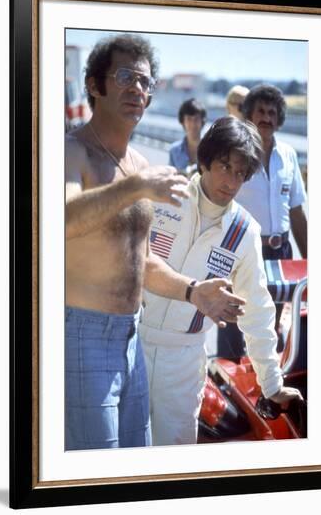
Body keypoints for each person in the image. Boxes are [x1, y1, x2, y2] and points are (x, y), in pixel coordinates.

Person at [65, 34, 242, 451]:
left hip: (132, 338)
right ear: (94, 85)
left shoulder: (141, 165)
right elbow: (59, 220)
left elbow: (141, 263)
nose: (137, 89)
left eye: (146, 82)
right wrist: (136, 188)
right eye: (125, 76)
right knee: (98, 473)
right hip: (82, 334)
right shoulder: (72, 150)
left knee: (136, 463)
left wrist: (193, 291)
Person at [139, 117, 303, 447]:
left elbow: (257, 311)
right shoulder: (163, 196)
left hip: (184, 360)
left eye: (241, 173)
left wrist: (271, 383)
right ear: (205, 160)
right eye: (224, 166)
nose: (230, 181)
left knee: (172, 461)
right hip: (131, 345)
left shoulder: (244, 232)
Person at [219, 84, 307, 359]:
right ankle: (228, 383)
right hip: (243, 252)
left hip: (281, 254)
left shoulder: (289, 155)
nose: (266, 117)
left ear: (279, 118)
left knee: (270, 326)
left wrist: (310, 261)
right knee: (234, 322)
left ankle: (267, 390)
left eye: (272, 112)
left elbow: (296, 212)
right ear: (247, 115)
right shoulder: (234, 154)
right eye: (260, 111)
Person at [168, 98, 207, 176]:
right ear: (182, 121)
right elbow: (170, 178)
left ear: (202, 121)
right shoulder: (174, 150)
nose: (193, 124)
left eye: (196, 119)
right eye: (189, 119)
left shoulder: (211, 149)